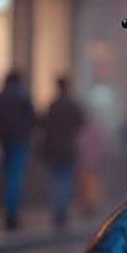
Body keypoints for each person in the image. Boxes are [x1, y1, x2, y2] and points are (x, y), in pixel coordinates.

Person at [0, 69, 36, 229]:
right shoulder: (23, 96)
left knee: (6, 177)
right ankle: (12, 213)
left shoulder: (2, 95)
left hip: (5, 140)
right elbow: (32, 119)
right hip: (19, 140)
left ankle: (8, 211)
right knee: (14, 177)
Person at [42, 76, 84, 228]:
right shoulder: (73, 105)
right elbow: (81, 123)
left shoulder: (53, 106)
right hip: (67, 149)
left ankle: (57, 211)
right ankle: (62, 212)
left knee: (55, 181)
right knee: (65, 181)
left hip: (54, 149)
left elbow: (45, 125)